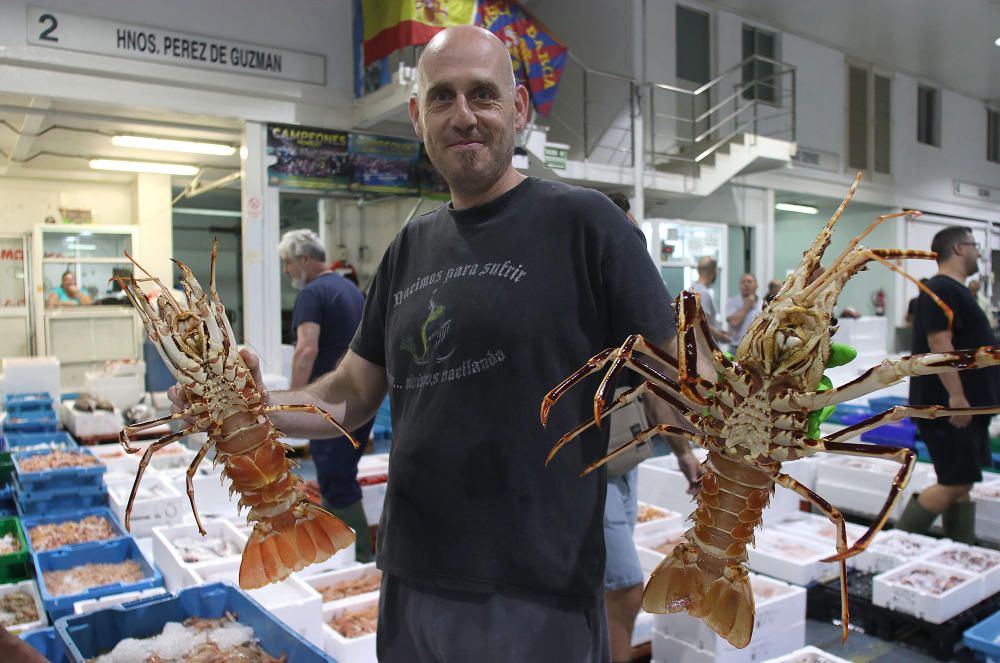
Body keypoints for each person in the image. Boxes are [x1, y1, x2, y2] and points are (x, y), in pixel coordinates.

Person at [173, 25, 699, 662]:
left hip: (535, 588)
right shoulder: (408, 249)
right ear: (419, 117)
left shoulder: (587, 224)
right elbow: (348, 395)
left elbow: (677, 374)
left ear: (520, 109)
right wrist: (253, 405)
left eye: (483, 94)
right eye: (443, 98)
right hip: (412, 574)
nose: (465, 115)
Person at [602, 190, 700, 663]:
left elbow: (652, 377)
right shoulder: (572, 300)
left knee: (604, 589)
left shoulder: (625, 304)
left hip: (623, 456)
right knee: (622, 590)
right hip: (580, 465)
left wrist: (684, 454)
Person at [898, 226, 1000, 543]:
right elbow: (938, 341)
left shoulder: (956, 291)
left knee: (962, 483)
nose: (978, 252)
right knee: (955, 483)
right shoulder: (939, 289)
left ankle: (961, 550)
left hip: (964, 409)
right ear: (958, 248)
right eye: (974, 245)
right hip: (951, 410)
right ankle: (896, 543)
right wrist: (957, 395)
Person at [278, 228, 374, 563]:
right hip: (360, 403)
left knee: (336, 479)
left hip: (329, 405)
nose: (287, 270)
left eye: (288, 263)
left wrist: (290, 404)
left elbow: (306, 350)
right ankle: (341, 555)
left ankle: (357, 560)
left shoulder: (311, 293)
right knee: (341, 474)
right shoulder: (350, 290)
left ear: (305, 260)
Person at [689, 256, 731, 344]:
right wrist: (722, 337)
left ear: (698, 270)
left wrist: (720, 331)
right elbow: (702, 323)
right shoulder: (703, 293)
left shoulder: (692, 289)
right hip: (704, 347)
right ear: (713, 272)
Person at [725, 273, 762, 353]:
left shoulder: (762, 304)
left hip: (755, 349)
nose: (746, 284)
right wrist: (746, 306)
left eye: (749, 281)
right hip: (736, 348)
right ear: (740, 285)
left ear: (756, 285)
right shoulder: (732, 302)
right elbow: (734, 322)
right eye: (743, 282)